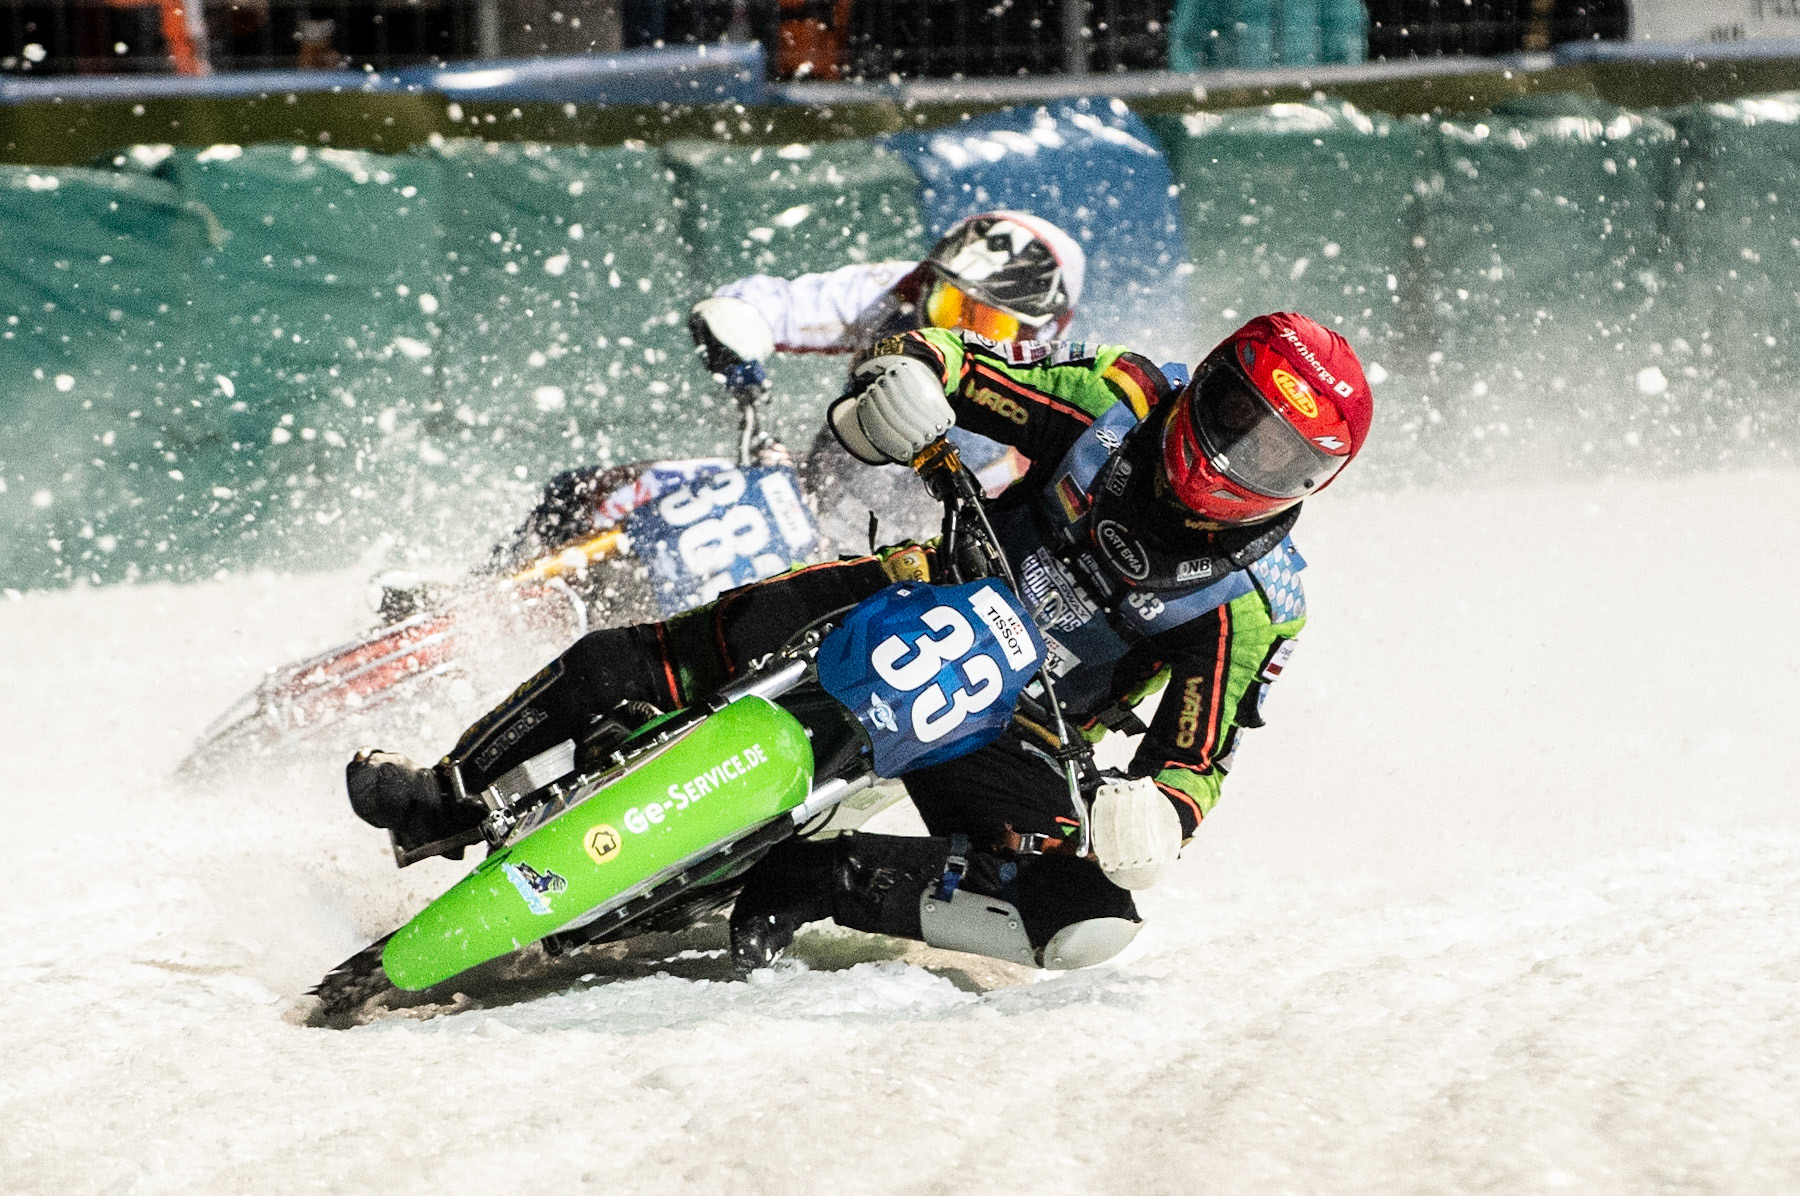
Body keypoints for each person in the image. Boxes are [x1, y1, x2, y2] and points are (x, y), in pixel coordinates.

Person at [347, 311, 1374, 977]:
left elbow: (1196, 759)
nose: (1236, 455)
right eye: (1236, 415)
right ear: (1211, 380)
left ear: (1310, 482)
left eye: (1277, 455)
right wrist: (907, 380)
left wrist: (1160, 814)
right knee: (636, 656)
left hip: (1016, 724)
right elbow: (961, 361)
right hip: (914, 589)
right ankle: (450, 790)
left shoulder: (1257, 604)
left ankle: (821, 878)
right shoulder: (1123, 396)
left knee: (1084, 919)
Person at [489, 210, 1087, 574]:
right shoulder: (902, 294)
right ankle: (473, 602)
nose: (953, 332)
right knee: (581, 494)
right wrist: (739, 338)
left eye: (987, 324)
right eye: (951, 304)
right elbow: (764, 304)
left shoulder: (1054, 414)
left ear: (1042, 336)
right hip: (792, 493)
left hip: (882, 572)